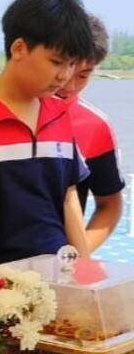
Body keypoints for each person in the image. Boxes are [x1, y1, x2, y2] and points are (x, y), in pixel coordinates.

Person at [0, 0, 94, 264]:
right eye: (56, 62)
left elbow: (69, 199)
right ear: (18, 48)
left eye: (71, 64)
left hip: (58, 277)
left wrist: (85, 270)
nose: (64, 76)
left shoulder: (59, 114)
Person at [55, 14, 125, 252]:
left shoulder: (95, 125)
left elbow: (110, 204)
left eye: (83, 75)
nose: (69, 85)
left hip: (56, 273)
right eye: (62, 66)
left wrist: (76, 255)